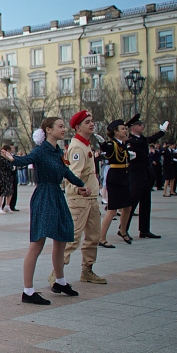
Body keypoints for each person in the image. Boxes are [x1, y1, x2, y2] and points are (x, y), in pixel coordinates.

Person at [0, 117, 90, 306]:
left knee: (61, 239)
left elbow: (66, 172)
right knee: (37, 243)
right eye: (60, 126)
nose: (64, 129)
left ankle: (60, 282)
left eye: (64, 126)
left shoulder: (57, 151)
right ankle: (28, 291)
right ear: (48, 130)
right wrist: (12, 158)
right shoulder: (41, 151)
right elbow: (26, 160)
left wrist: (80, 185)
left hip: (56, 195)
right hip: (44, 196)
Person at [54, 111, 106, 286]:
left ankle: (87, 270)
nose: (91, 124)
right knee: (72, 238)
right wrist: (79, 189)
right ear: (77, 127)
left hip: (90, 197)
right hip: (79, 199)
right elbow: (73, 175)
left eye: (92, 121)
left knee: (93, 236)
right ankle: (57, 275)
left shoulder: (85, 144)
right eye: (87, 122)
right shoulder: (77, 147)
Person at [126, 113, 168, 239]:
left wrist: (162, 132)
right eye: (140, 125)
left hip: (145, 175)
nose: (142, 126)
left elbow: (151, 139)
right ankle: (123, 228)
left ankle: (144, 230)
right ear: (133, 127)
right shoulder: (130, 141)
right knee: (132, 203)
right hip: (136, 176)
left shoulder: (142, 139)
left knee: (146, 203)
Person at [98, 120, 133, 247]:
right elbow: (107, 149)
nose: (125, 130)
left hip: (124, 177)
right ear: (115, 132)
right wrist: (102, 143)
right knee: (112, 210)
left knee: (128, 207)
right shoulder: (112, 144)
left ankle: (123, 230)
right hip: (115, 178)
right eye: (122, 128)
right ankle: (101, 238)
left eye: (125, 128)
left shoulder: (123, 144)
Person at [0, 143, 16, 215]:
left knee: (10, 190)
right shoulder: (1, 158)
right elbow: (4, 166)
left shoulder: (7, 157)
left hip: (8, 175)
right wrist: (11, 167)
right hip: (3, 176)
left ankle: (7, 205)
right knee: (2, 191)